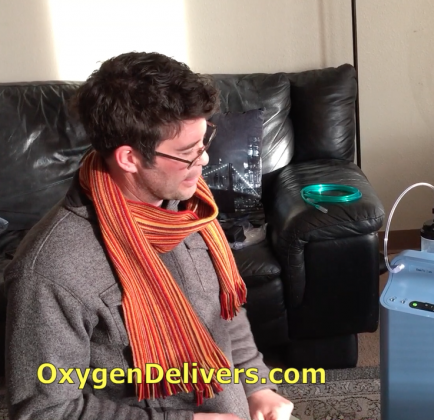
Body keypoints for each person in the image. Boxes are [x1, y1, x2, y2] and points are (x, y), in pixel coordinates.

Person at [3, 51, 294, 420]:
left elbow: (222, 310)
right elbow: (44, 412)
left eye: (204, 142)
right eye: (188, 153)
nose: (204, 160)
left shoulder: (191, 208)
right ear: (129, 158)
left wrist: (257, 387)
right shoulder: (49, 271)